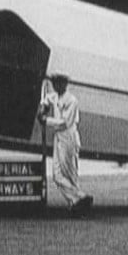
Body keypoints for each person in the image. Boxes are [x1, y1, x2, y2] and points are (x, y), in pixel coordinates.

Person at [38, 73, 93, 215]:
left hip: (69, 137)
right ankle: (80, 198)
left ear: (65, 84)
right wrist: (43, 105)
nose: (56, 86)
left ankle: (76, 205)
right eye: (55, 83)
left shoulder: (72, 100)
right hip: (59, 137)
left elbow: (65, 123)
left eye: (59, 83)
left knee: (70, 173)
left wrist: (46, 121)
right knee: (57, 175)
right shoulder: (55, 96)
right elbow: (48, 99)